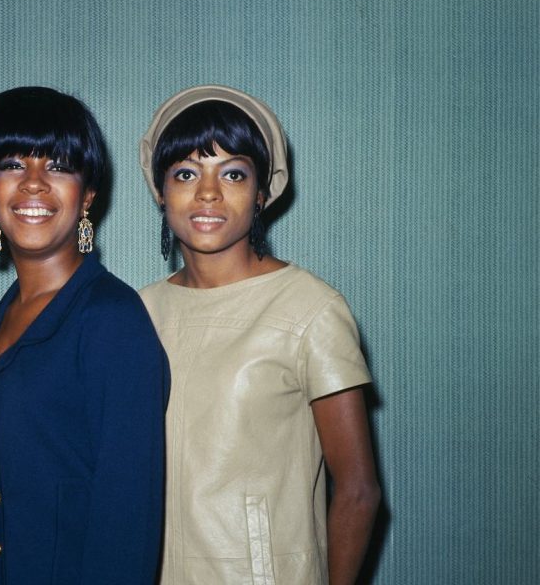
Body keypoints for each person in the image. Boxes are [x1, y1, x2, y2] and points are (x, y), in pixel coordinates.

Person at [138, 85, 381, 585]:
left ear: (263, 191)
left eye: (232, 174)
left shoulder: (310, 309)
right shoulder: (137, 314)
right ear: (161, 190)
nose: (208, 193)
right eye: (186, 172)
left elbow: (358, 490)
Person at [0, 87, 169, 585]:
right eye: (12, 164)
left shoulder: (113, 320)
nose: (33, 184)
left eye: (57, 165)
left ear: (88, 196)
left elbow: (129, 521)